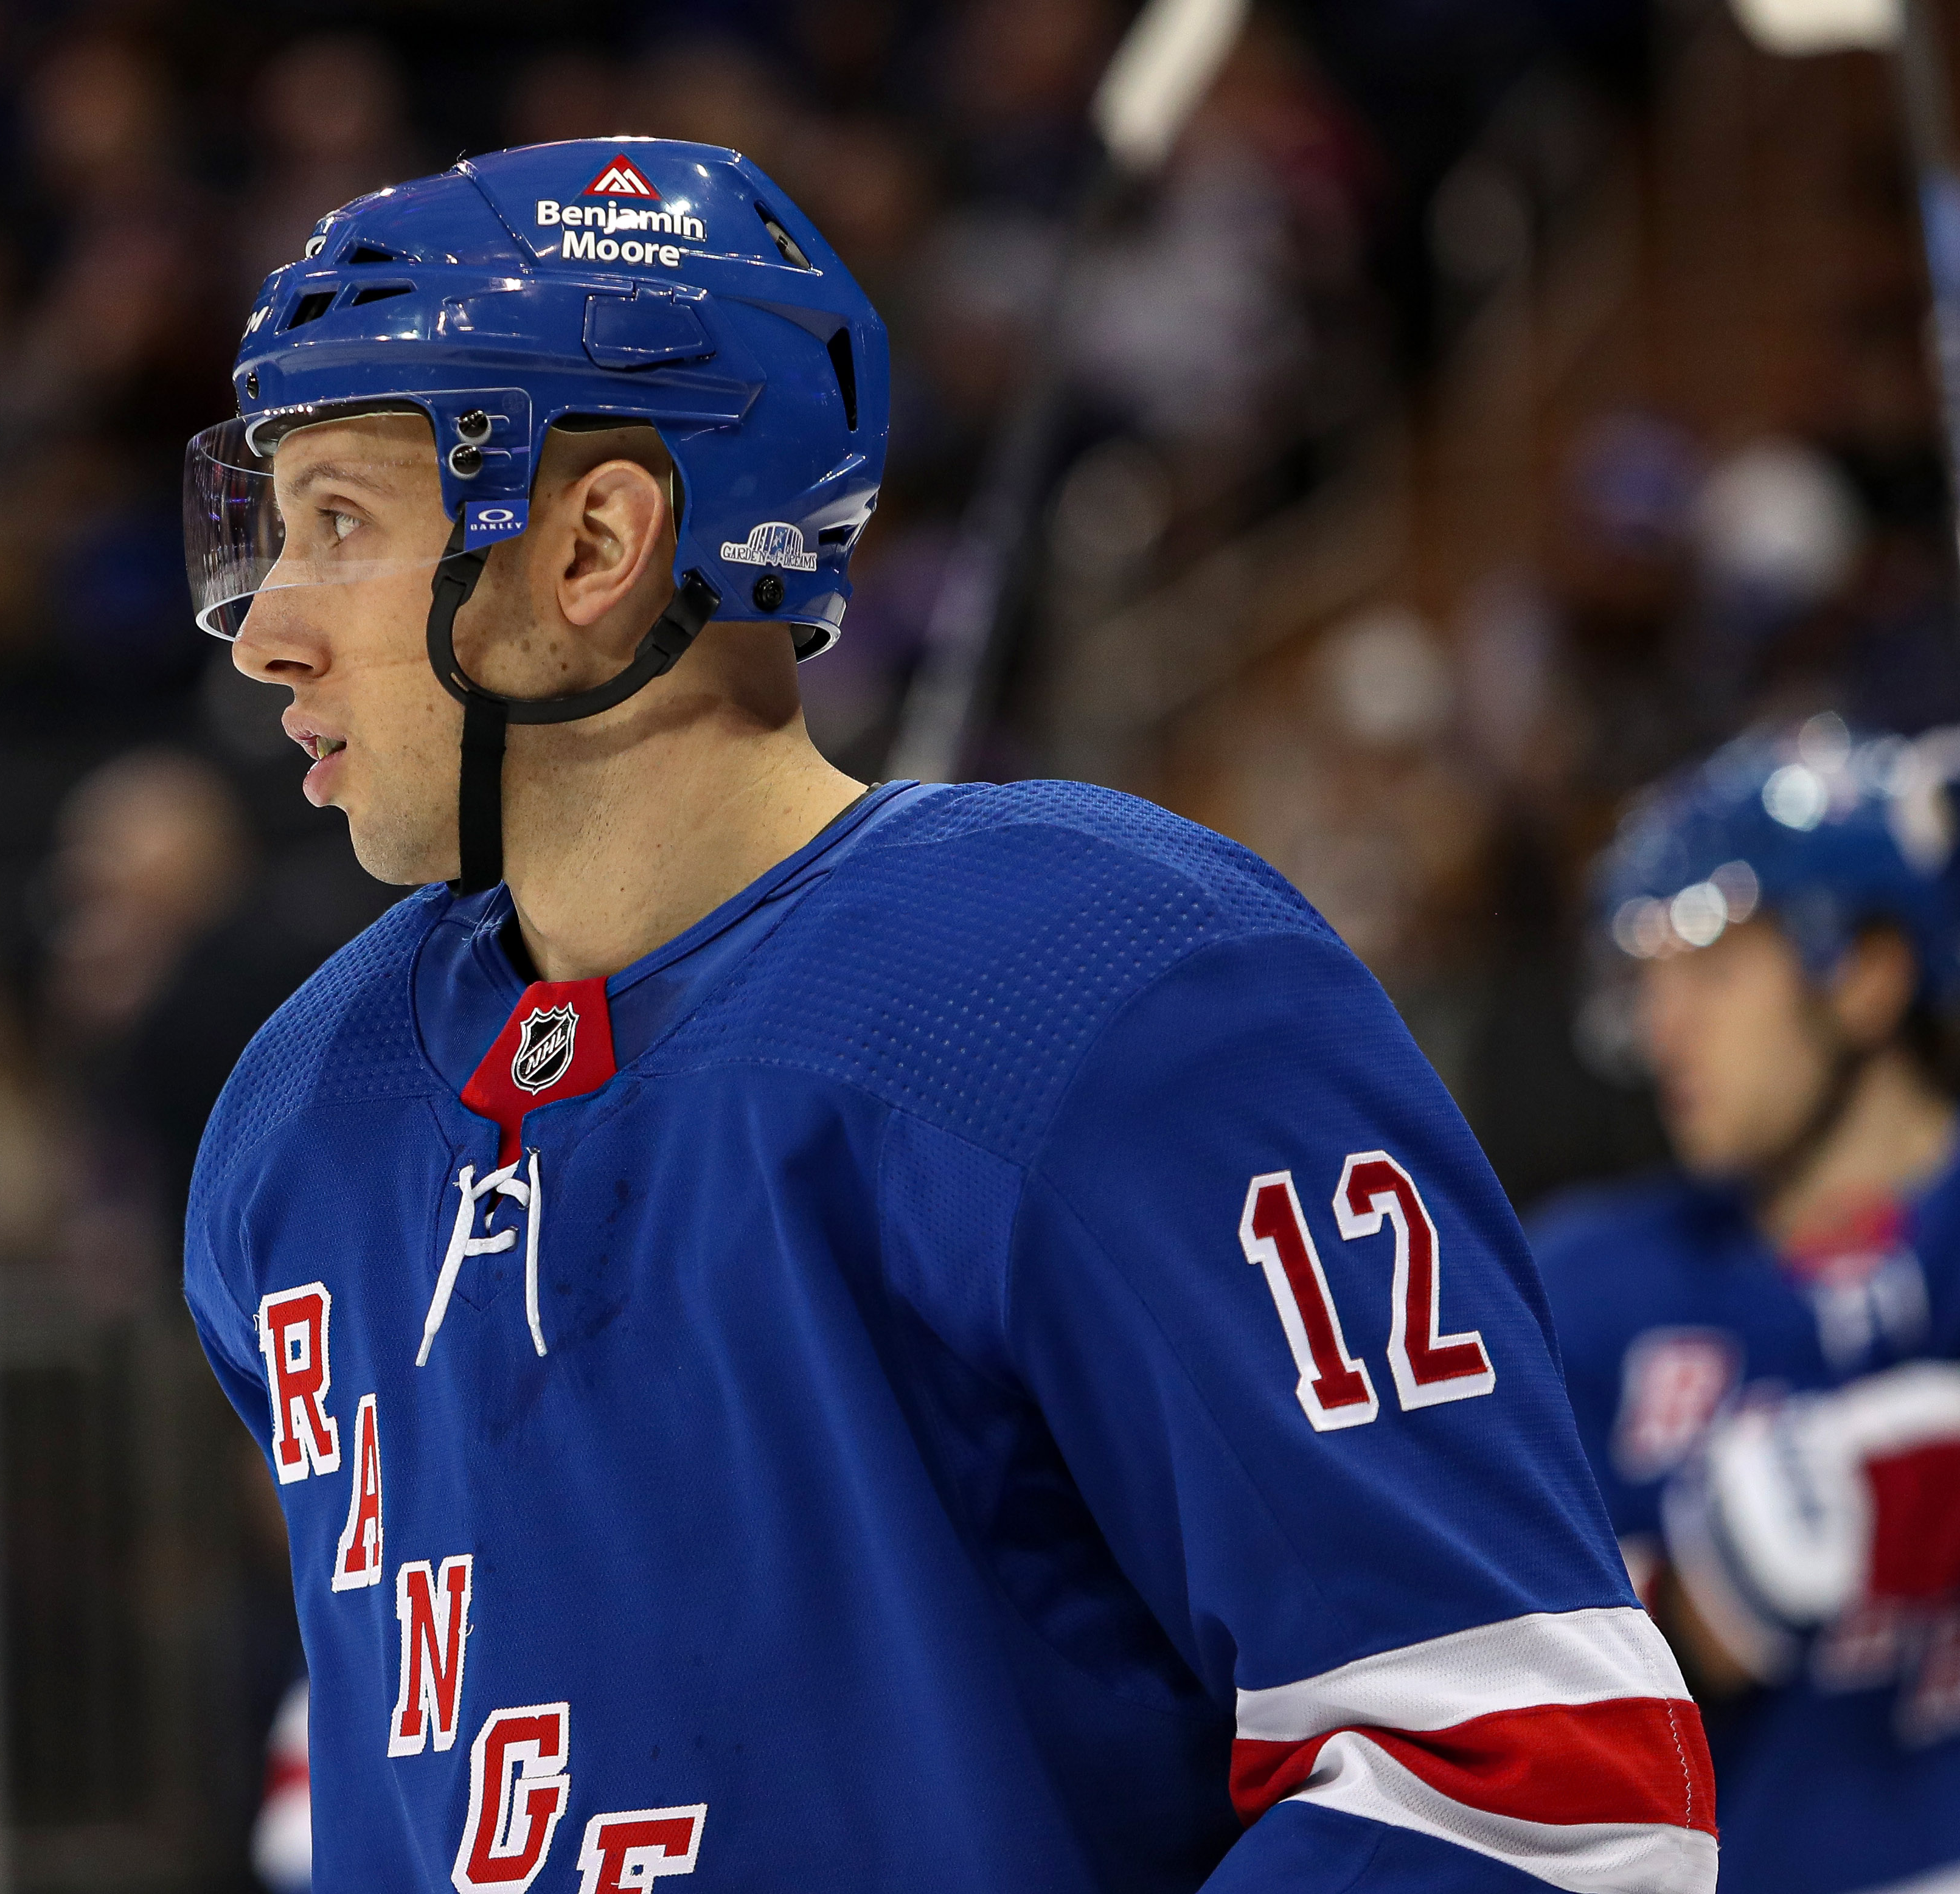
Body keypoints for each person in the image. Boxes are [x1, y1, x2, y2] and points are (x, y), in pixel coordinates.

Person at [178, 137, 1712, 1892]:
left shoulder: (1109, 990)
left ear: (596, 537)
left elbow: (1537, 1782)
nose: (266, 629)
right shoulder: (300, 1127)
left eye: (340, 524)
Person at [1535, 718, 1960, 1894]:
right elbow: (1482, 1659)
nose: (1665, 1026)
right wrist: (1678, 1607)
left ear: (1867, 974)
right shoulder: (1588, 1283)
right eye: (1649, 980)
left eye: (1713, 971)